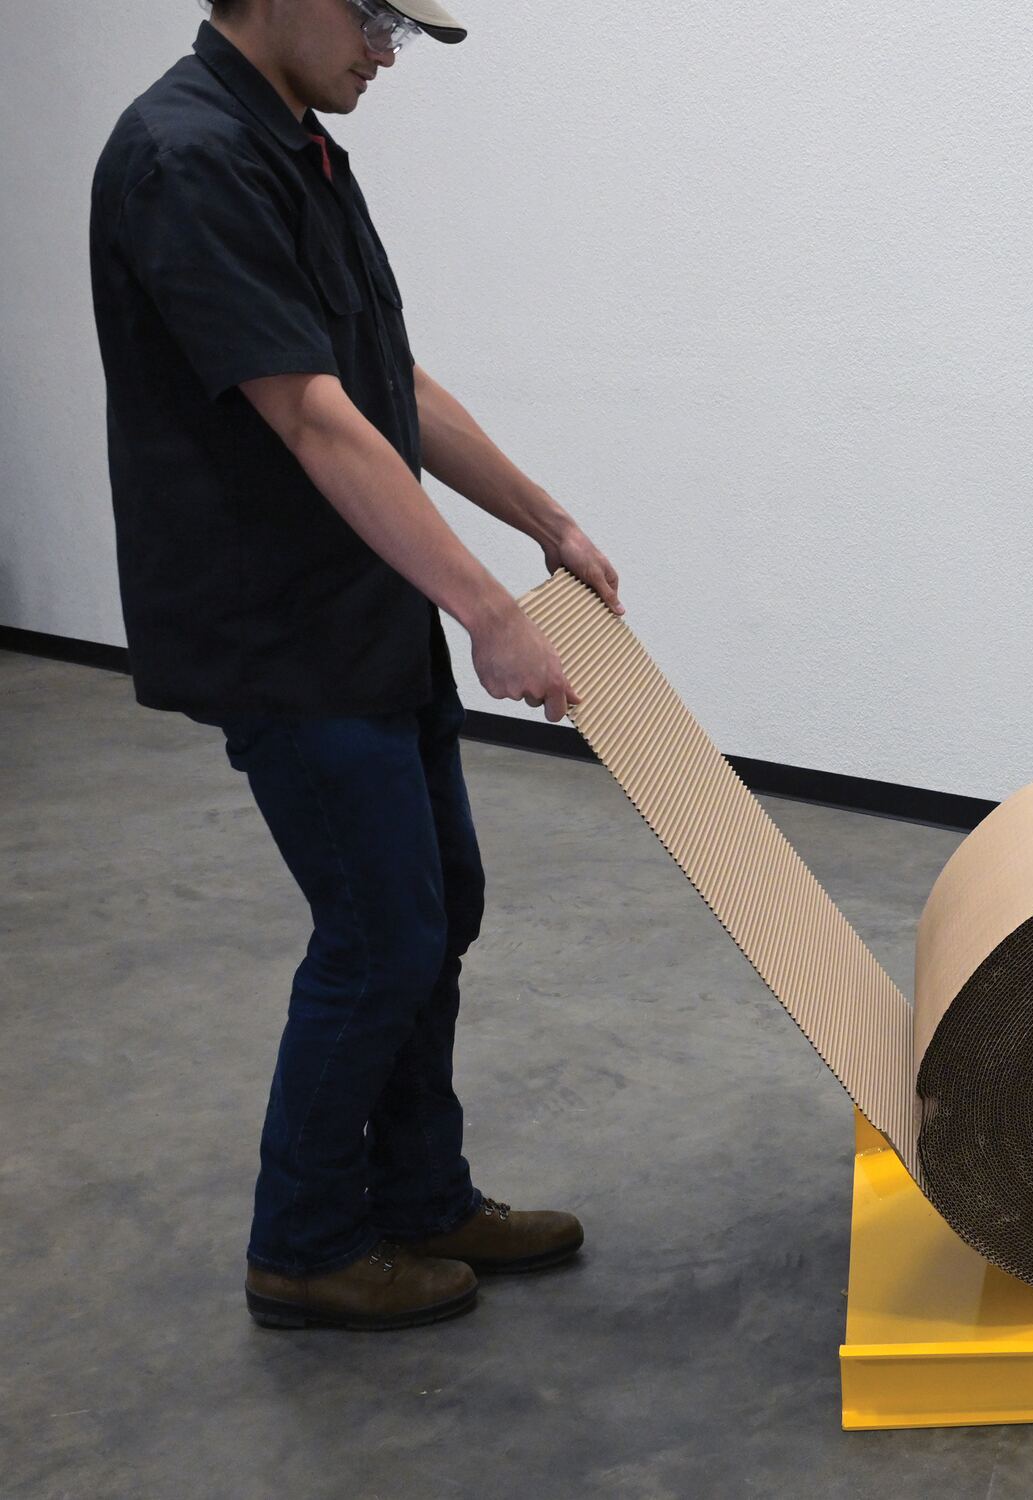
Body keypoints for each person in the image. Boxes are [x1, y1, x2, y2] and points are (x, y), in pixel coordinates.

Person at [88, 0, 624, 1331]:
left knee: (441, 902)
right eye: (375, 17)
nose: (387, 52)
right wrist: (487, 609)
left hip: (363, 606)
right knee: (380, 935)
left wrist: (544, 521)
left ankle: (423, 1196)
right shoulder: (186, 158)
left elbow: (390, 381)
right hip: (281, 630)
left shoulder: (300, 146)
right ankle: (306, 1243)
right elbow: (313, 419)